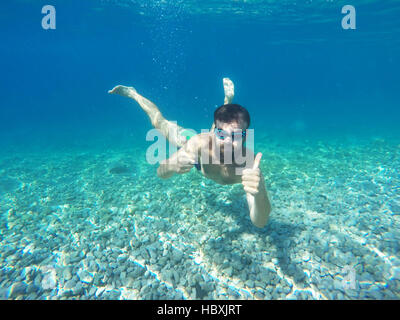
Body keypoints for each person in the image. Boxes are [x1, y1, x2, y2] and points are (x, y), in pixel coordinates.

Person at [108, 78, 271, 228]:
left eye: (236, 135)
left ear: (245, 137)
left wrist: (259, 193)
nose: (228, 142)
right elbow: (160, 173)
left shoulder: (248, 166)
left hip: (210, 142)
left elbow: (260, 222)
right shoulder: (197, 144)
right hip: (198, 151)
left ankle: (227, 103)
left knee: (217, 133)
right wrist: (171, 166)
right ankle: (133, 93)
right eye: (222, 134)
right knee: (160, 123)